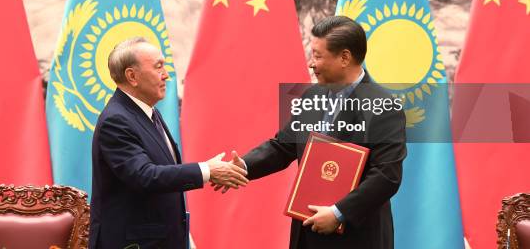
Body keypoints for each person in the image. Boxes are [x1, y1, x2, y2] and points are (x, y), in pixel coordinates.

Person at [223, 16, 407, 249]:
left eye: (318, 56)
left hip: (357, 237)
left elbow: (386, 176)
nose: (311, 63)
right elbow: (283, 146)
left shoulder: (383, 107)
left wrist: (339, 213)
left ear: (344, 57)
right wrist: (241, 168)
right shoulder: (311, 97)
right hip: (307, 233)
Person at [89, 37, 248, 249]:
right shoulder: (116, 120)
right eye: (158, 67)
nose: (166, 75)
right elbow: (144, 176)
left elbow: (163, 172)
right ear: (132, 76)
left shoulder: (147, 111)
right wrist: (206, 171)